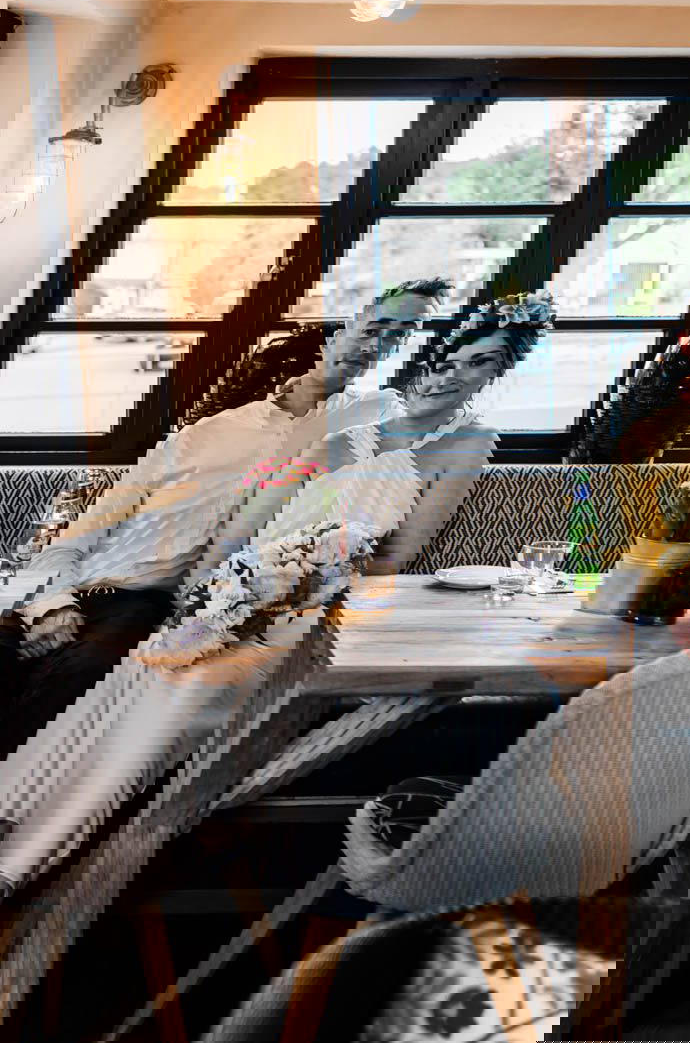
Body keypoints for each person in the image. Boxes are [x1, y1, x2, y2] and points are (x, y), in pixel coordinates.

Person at [0, 293, 555, 898]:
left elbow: (398, 555)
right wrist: (210, 595)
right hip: (237, 591)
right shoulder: (347, 422)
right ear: (431, 351)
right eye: (451, 352)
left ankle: (29, 856)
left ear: (498, 372)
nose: (454, 371)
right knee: (143, 676)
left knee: (181, 701)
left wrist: (315, 583)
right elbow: (255, 517)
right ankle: (16, 809)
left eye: (480, 362)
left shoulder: (471, 442)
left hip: (316, 610)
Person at [0, 278, 450, 747]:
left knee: (90, 672)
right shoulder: (208, 432)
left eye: (398, 336)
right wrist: (52, 605)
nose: (376, 344)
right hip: (63, 584)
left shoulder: (360, 434)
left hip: (145, 603)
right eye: (374, 327)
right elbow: (76, 536)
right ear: (346, 326)